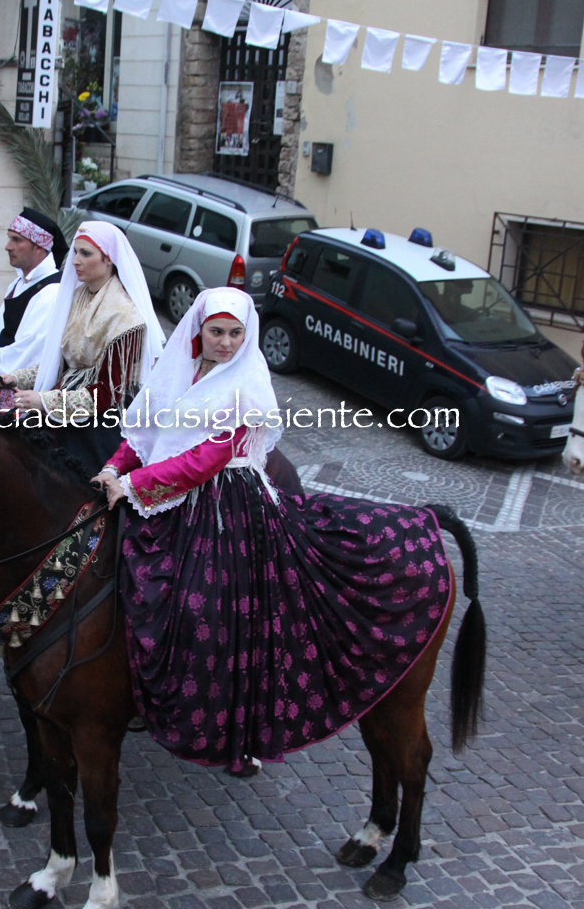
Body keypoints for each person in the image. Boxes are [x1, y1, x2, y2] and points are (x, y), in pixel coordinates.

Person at [94, 287, 453, 775]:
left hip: (226, 504)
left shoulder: (246, 383)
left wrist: (135, 484)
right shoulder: (179, 369)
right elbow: (144, 433)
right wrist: (113, 468)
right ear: (198, 330)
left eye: (234, 333)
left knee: (208, 606)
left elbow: (207, 458)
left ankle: (229, 719)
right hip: (166, 493)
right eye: (216, 332)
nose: (225, 342)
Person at [4, 220, 164, 473]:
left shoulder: (127, 316)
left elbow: (109, 393)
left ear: (109, 259)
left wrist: (45, 401)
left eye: (86, 254)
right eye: (75, 252)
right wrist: (16, 377)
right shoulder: (77, 297)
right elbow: (62, 364)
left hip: (100, 418)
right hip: (63, 400)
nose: (75, 261)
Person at [0, 209, 67, 374]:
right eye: (9, 238)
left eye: (17, 240)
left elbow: (26, 353)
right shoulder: (17, 284)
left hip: (21, 383)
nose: (8, 247)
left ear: (39, 246)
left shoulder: (52, 291)